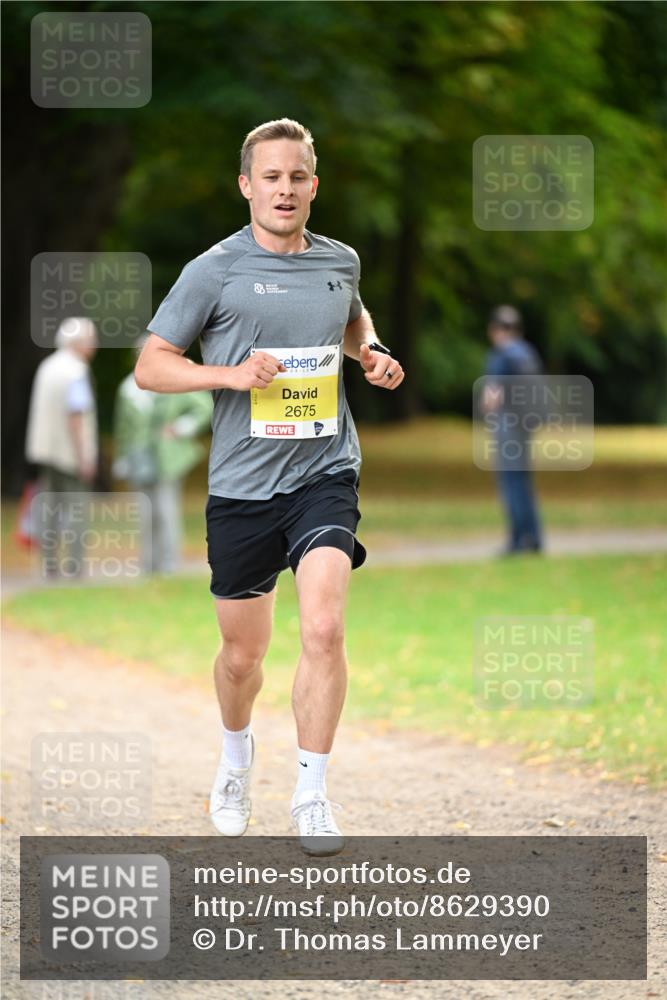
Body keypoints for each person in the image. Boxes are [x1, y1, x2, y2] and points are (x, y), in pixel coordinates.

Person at [135, 117, 404, 855]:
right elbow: (151, 364)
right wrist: (228, 373)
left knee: (322, 626)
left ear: (313, 185)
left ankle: (312, 794)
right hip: (242, 488)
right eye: (271, 177)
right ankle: (234, 758)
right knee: (241, 657)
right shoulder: (212, 270)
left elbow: (351, 321)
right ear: (247, 185)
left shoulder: (339, 260)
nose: (284, 189)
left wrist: (371, 352)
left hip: (324, 472)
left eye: (297, 177)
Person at [113, 337, 213, 574]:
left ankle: (169, 564)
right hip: (139, 457)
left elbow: (205, 406)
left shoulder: (172, 383)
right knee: (144, 512)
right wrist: (122, 458)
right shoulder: (128, 389)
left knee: (166, 510)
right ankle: (148, 563)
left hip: (167, 458)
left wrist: (180, 427)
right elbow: (123, 428)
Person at [25, 317, 99, 575]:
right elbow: (76, 415)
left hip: (45, 451)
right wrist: (85, 457)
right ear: (77, 343)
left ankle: (48, 564)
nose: (95, 346)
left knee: (49, 508)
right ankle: (75, 566)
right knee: (77, 510)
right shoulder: (76, 371)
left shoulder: (47, 367)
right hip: (69, 454)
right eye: (90, 340)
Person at [483, 304, 543, 555]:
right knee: (523, 481)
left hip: (507, 426)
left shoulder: (501, 355)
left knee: (510, 483)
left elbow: (492, 396)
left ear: (495, 329)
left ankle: (518, 541)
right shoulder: (528, 353)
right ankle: (534, 538)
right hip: (526, 425)